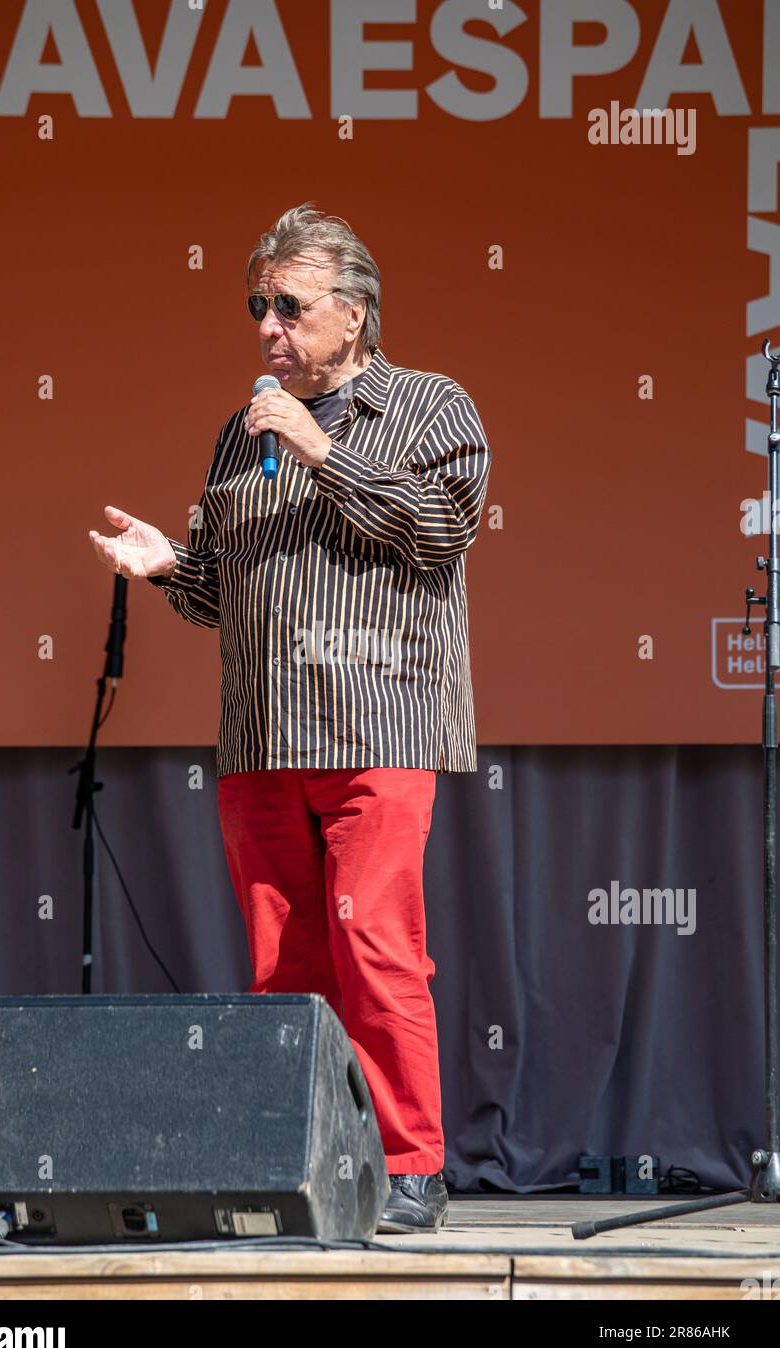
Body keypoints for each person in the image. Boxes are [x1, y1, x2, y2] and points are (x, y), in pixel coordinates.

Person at [89, 202, 491, 1233]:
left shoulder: (430, 407)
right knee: (284, 970)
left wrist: (320, 449)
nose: (267, 326)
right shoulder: (242, 426)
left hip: (376, 728)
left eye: (289, 306)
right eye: (256, 306)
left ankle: (410, 1167)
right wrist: (169, 566)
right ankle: (306, 1166)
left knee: (377, 950)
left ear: (352, 315)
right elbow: (224, 591)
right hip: (260, 739)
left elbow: (441, 531)